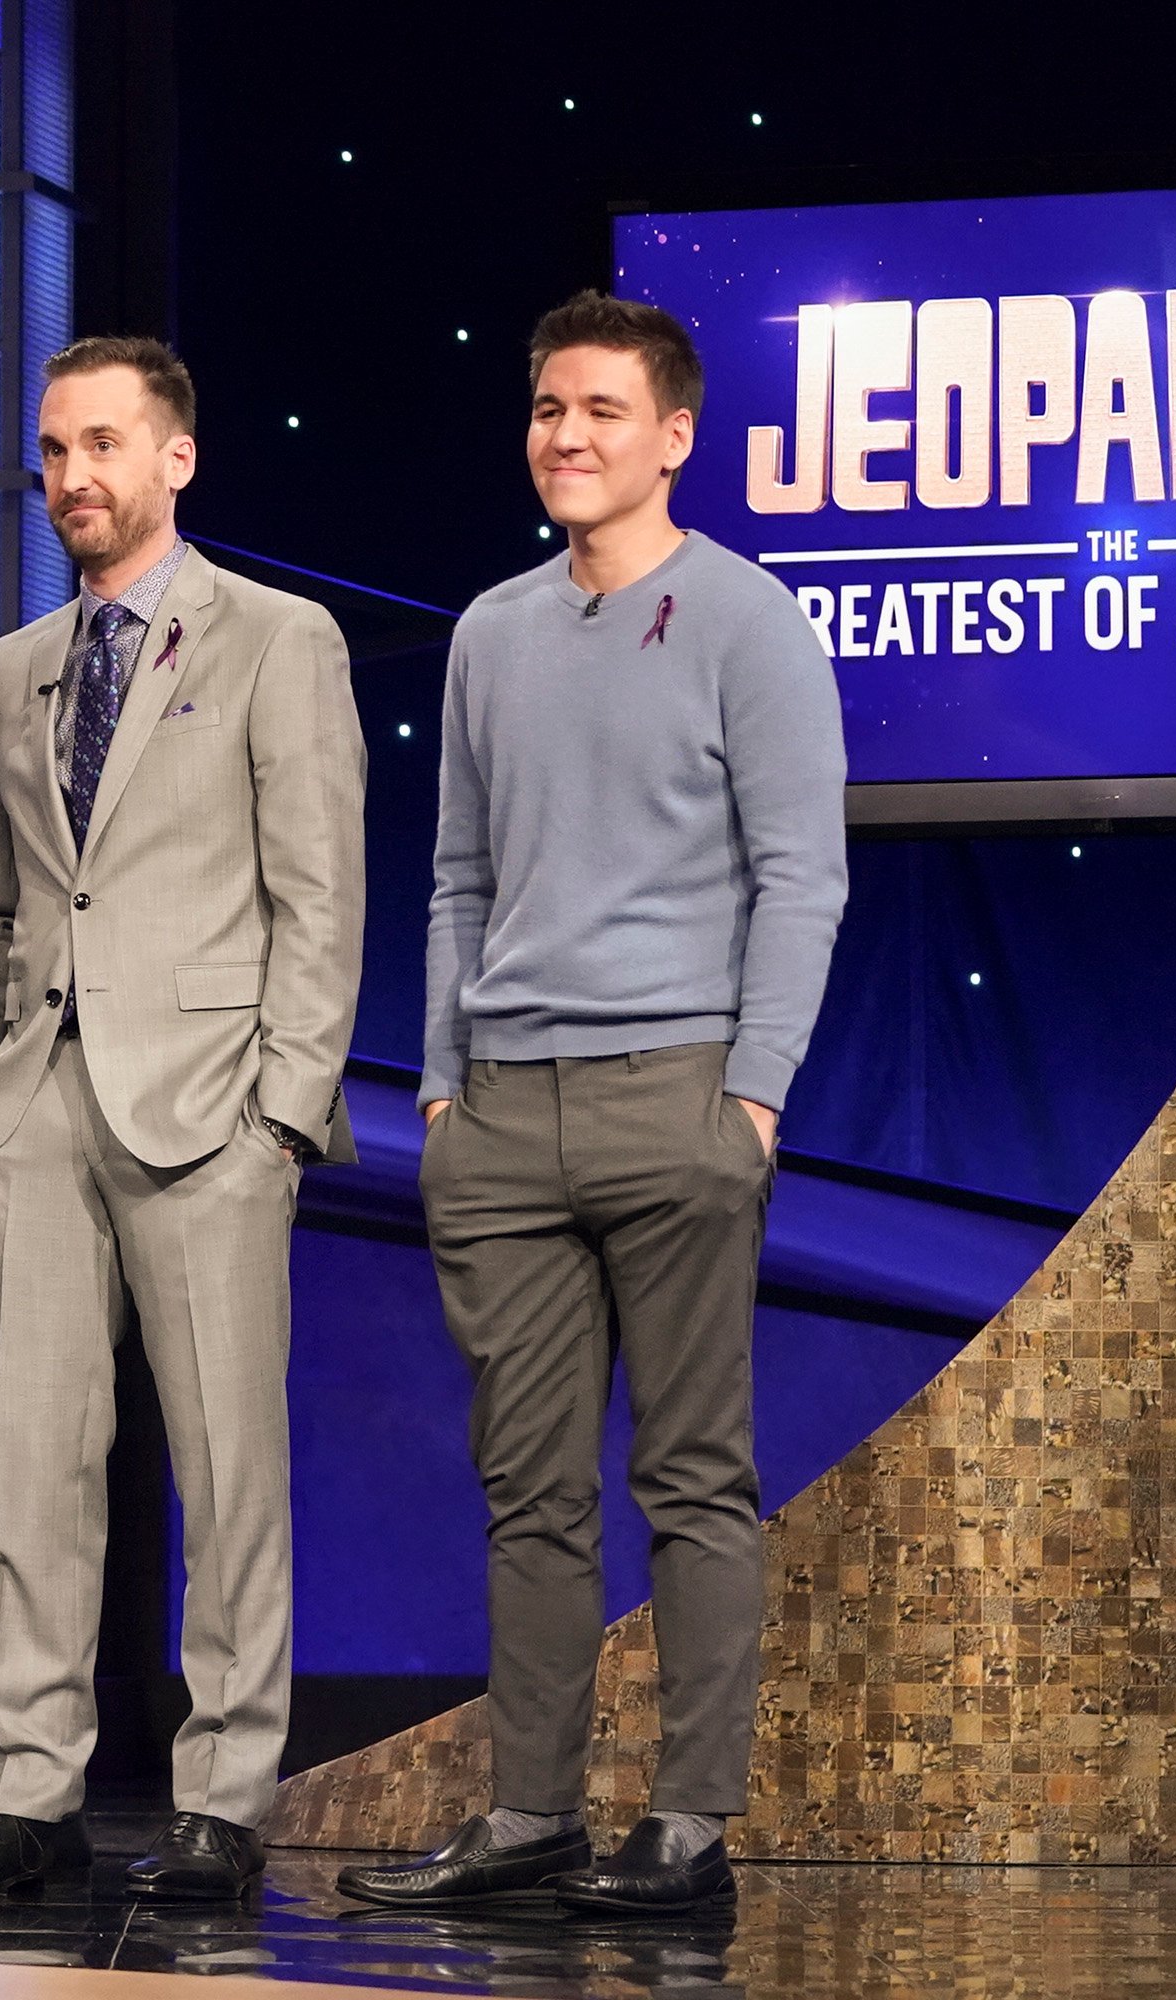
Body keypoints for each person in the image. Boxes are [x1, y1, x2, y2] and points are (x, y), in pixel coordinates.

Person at [336, 293, 846, 1917]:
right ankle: (529, 1814)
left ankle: (690, 1822)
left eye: (602, 410)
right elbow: (460, 878)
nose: (566, 434)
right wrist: (439, 1085)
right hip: (500, 1121)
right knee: (529, 1489)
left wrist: (751, 1100)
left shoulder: (748, 621)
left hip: (678, 1100)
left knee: (693, 1477)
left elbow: (802, 879)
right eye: (549, 407)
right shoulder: (492, 629)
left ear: (675, 436)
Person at [0, 336, 365, 1903]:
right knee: (34, 1467)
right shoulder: (10, 664)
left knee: (232, 1471)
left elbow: (320, 890)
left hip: (209, 1107)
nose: (71, 478)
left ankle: (225, 1800)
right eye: (51, 450)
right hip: (34, 1098)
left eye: (102, 445)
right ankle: (28, 1798)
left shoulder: (276, 638)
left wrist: (285, 1112)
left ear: (176, 457)